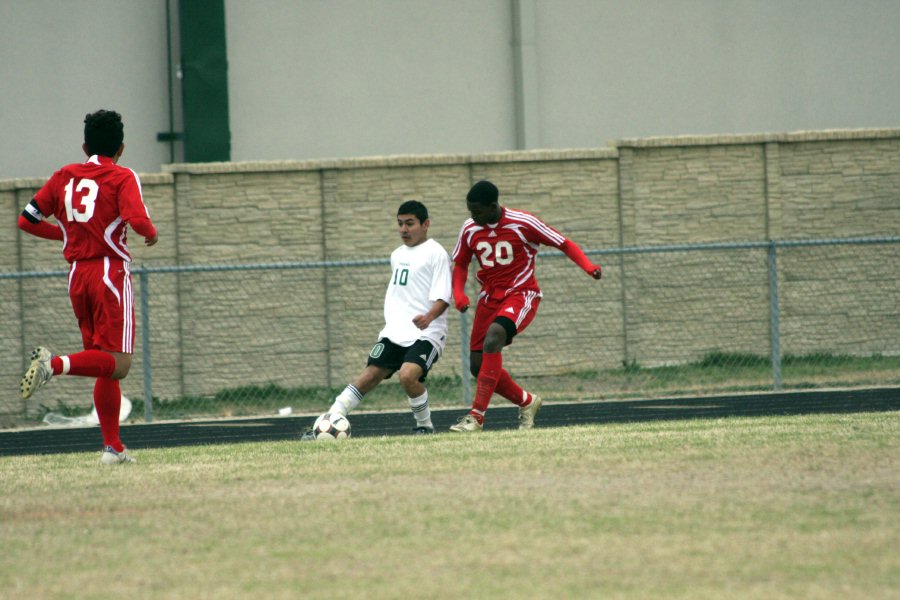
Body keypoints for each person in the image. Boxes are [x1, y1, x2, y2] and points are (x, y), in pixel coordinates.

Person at [18, 109, 158, 464]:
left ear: (84, 145)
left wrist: (64, 232)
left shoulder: (64, 176)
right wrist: (151, 234)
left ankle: (113, 448)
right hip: (109, 273)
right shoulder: (122, 175)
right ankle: (54, 364)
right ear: (121, 148)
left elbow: (27, 219)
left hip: (77, 276)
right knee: (119, 363)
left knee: (102, 363)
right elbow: (138, 220)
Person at [449, 180, 602, 432]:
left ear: (493, 206)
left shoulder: (523, 222)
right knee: (478, 366)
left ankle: (476, 417)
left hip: (521, 294)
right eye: (470, 211)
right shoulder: (469, 228)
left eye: (477, 211)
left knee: (494, 338)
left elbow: (563, 243)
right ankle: (527, 402)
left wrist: (588, 266)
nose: (473, 217)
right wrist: (459, 294)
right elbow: (461, 264)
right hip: (489, 298)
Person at [302, 200, 452, 438]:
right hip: (395, 331)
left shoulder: (437, 254)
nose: (404, 229)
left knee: (407, 376)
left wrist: (428, 317)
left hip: (427, 332)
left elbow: (443, 297)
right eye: (400, 224)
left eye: (410, 224)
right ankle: (327, 421)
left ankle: (425, 426)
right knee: (369, 375)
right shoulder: (397, 255)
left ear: (426, 224)